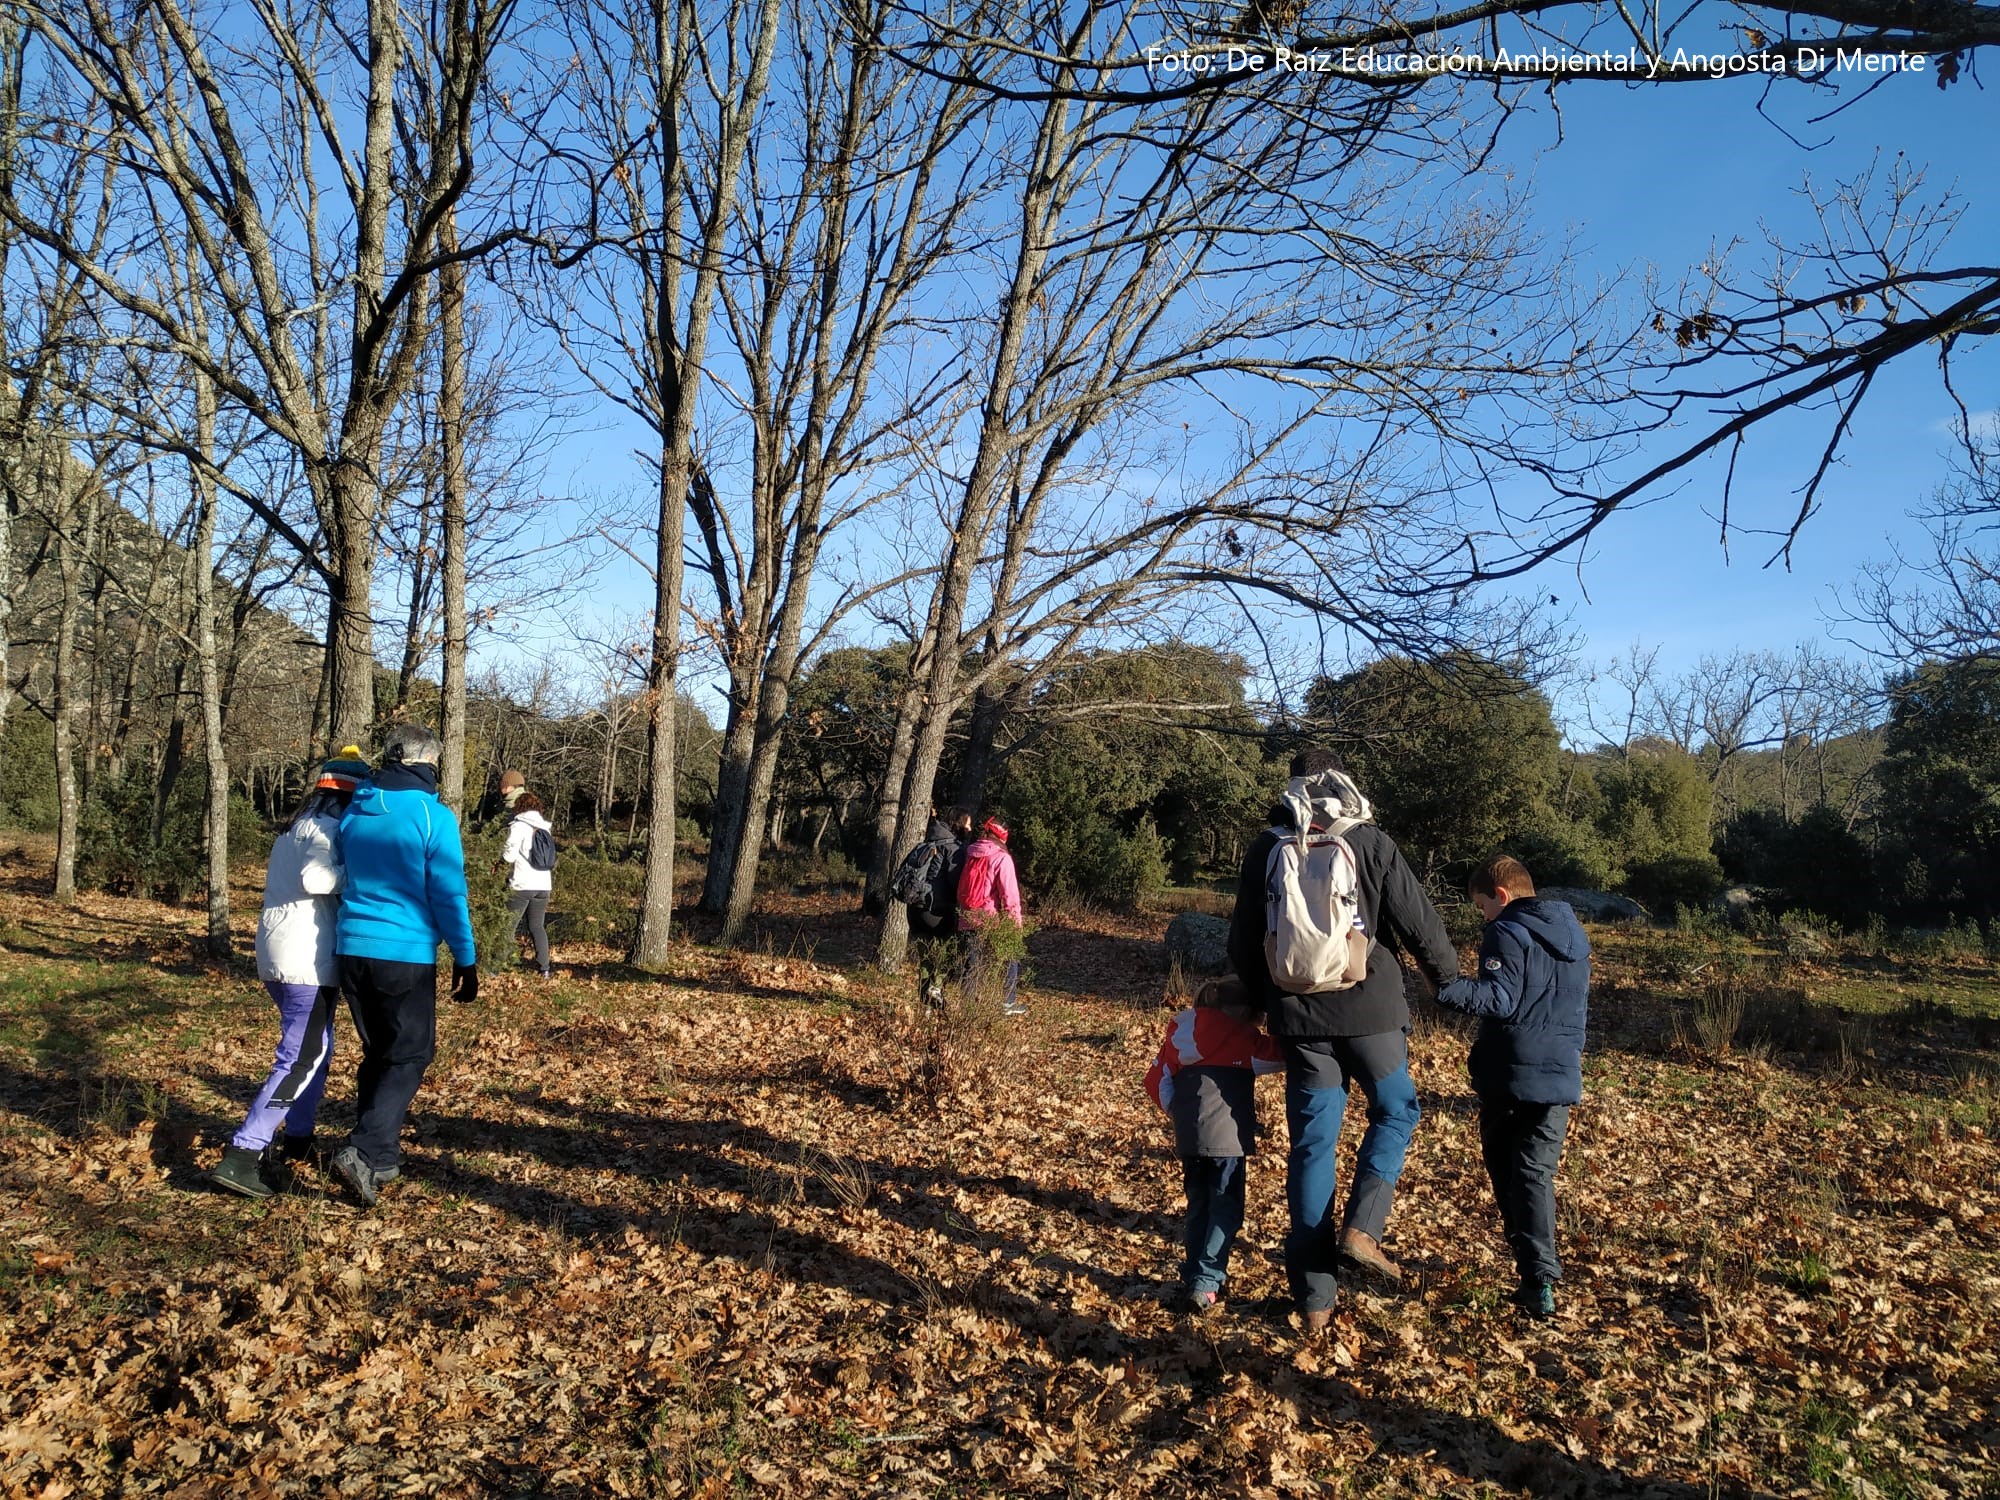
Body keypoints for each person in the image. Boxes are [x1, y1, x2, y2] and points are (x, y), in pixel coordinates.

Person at [1227, 749, 1459, 1332]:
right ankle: (1363, 1227)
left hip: (1302, 1024)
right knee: (1397, 1110)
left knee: (1312, 1149)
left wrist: (1266, 1002)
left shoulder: (1270, 846)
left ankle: (1313, 1300)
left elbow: (1242, 943)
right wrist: (1448, 982)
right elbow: (1418, 921)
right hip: (1372, 1014)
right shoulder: (1369, 841)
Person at [208, 750, 372, 1199]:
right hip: (306, 961)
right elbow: (317, 880)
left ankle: (298, 1140)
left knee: (316, 1050)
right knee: (300, 1058)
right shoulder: (326, 829)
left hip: (280, 955)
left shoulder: (292, 829)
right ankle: (244, 1153)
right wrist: (360, 874)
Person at [1435, 855, 1591, 1319]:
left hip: (1511, 1075)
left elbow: (1499, 1000)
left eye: (1481, 905)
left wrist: (1445, 986)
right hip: (1560, 1073)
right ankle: (1539, 1279)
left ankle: (1536, 1275)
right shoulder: (1575, 938)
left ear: (1500, 897)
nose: (1482, 914)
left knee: (1508, 1173)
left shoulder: (1505, 932)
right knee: (1535, 1175)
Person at [329, 723, 478, 1207]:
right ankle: (364, 1150)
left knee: (380, 1053)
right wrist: (465, 957)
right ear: (422, 765)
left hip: (351, 947)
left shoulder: (356, 809)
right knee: (411, 1055)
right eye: (434, 766)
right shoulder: (433, 816)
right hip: (403, 953)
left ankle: (382, 1154)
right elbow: (449, 893)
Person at [1145, 974, 1284, 1313]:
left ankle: (1193, 1273)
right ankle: (1206, 1282)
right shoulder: (1244, 1039)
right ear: (1247, 1013)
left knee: (1199, 1205)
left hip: (1190, 1138)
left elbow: (1154, 1081)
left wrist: (1179, 1113)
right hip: (1228, 1142)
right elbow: (1283, 1056)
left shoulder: (1179, 1033)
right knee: (1225, 1208)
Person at [957, 814, 1026, 1017]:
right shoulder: (1002, 858)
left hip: (967, 918)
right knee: (1010, 958)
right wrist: (1015, 926)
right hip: (991, 921)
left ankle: (967, 1011)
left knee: (972, 966)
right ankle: (1007, 1003)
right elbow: (1010, 896)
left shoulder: (970, 853)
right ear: (1002, 837)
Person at [902, 806, 971, 1007]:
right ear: (958, 824)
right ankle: (936, 991)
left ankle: (926, 1004)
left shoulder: (926, 842)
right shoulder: (954, 849)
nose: (970, 828)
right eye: (968, 824)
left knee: (925, 961)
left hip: (915, 910)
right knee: (949, 953)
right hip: (938, 912)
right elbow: (957, 885)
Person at [499, 790, 556, 978]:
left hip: (522, 884)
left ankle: (499, 965)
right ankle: (544, 968)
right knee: (537, 926)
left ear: (519, 807)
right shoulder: (544, 828)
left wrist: (499, 863)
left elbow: (509, 855)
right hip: (544, 885)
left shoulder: (519, 826)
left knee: (508, 926)